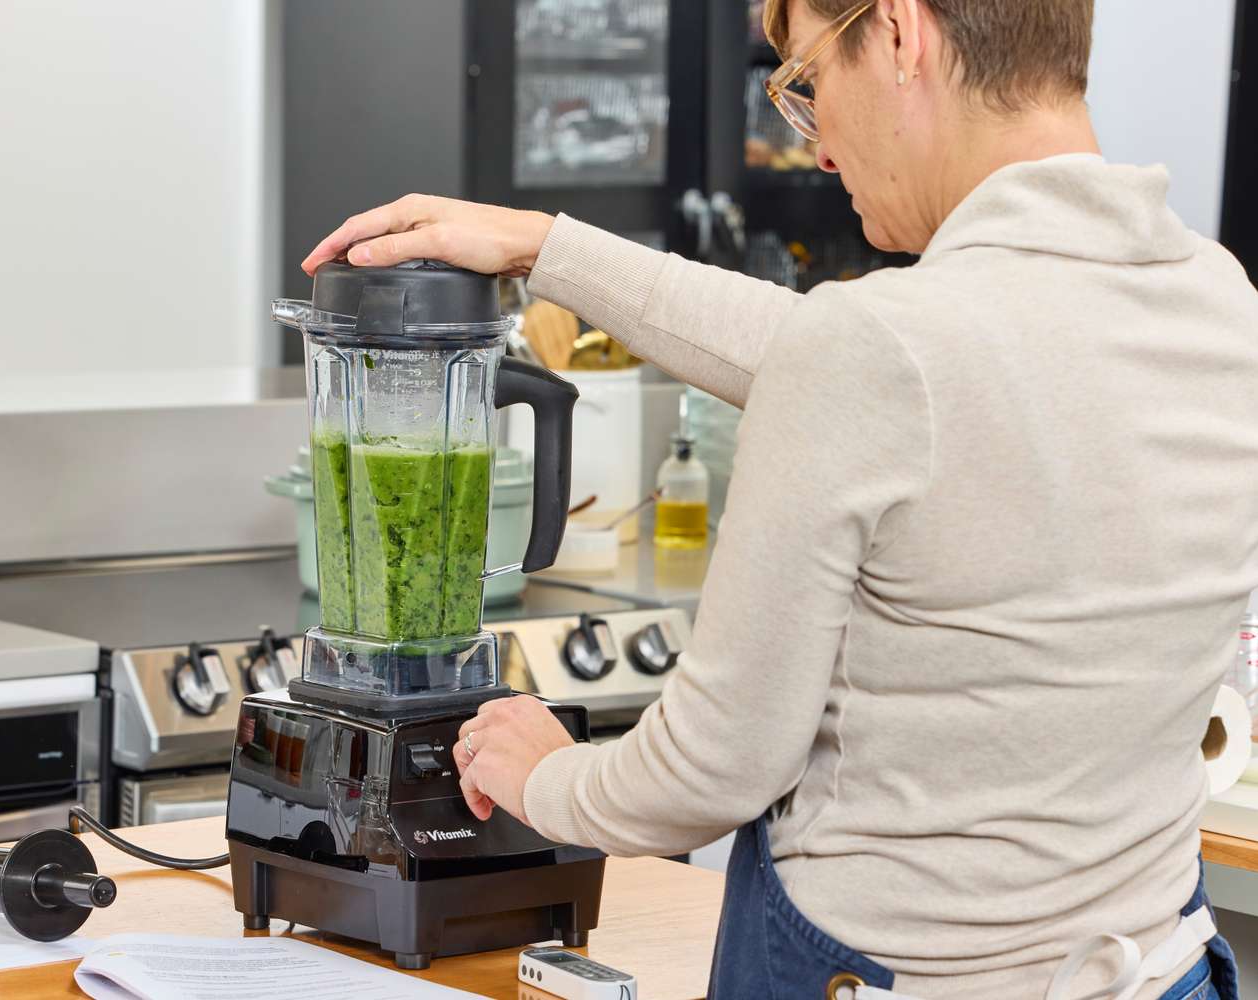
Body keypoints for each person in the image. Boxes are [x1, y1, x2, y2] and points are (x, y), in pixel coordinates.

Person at [302, 1, 1258, 996]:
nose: (820, 144)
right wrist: (546, 246)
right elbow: (851, 357)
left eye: (808, 82)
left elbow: (710, 769)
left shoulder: (877, 350)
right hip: (1166, 969)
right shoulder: (1222, 302)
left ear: (898, 32)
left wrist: (545, 775)